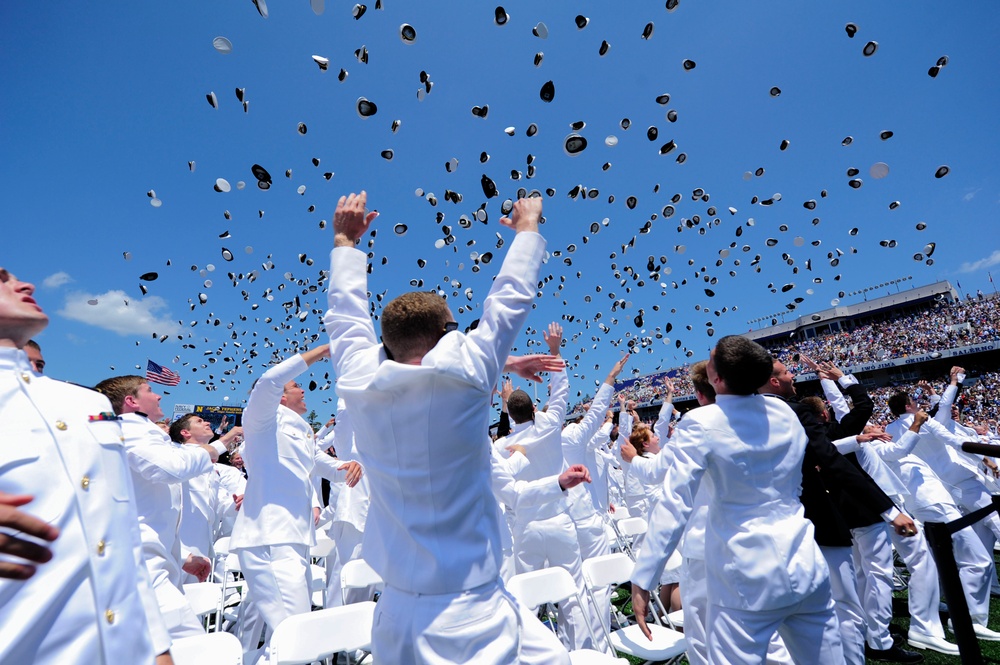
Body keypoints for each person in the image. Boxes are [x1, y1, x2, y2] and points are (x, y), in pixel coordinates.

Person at [325, 191, 569, 664]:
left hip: (396, 611)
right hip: (471, 610)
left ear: (385, 342)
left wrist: (344, 242)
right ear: (447, 332)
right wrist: (528, 228)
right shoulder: (469, 370)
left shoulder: (357, 378)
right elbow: (510, 299)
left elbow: (344, 317)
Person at [631, 335, 844, 664]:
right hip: (805, 560)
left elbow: (675, 504)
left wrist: (644, 578)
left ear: (716, 379)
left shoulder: (700, 422)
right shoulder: (785, 412)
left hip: (744, 575)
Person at [0, 267, 172, 664]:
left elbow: (121, 539)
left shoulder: (87, 405)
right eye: (2, 279)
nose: (25, 284)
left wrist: (158, 648)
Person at [758, 357, 917, 665]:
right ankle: (875, 643)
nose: (793, 377)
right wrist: (890, 510)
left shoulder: (737, 417)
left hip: (782, 529)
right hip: (828, 518)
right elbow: (835, 446)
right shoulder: (801, 415)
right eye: (788, 372)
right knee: (852, 595)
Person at [228, 344, 335, 663]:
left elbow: (324, 466)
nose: (303, 387)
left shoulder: (302, 430)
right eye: (296, 385)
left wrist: (351, 467)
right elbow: (268, 381)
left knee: (287, 638)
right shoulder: (262, 418)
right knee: (295, 635)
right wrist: (323, 351)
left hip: (296, 538)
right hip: (270, 539)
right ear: (280, 397)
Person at [94, 374, 218, 641]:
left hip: (149, 558)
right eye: (150, 390)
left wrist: (182, 556)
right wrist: (209, 450)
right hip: (137, 563)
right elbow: (167, 469)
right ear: (131, 402)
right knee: (192, 645)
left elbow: (149, 506)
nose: (159, 395)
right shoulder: (129, 428)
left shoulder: (138, 431)